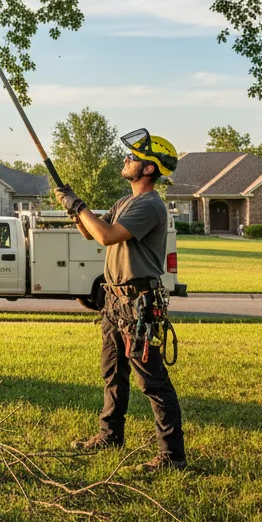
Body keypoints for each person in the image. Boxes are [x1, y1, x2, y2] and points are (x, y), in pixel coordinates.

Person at [54, 129, 186, 473]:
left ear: (148, 169)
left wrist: (78, 205)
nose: (126, 159)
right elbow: (92, 233)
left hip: (138, 303)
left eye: (133, 157)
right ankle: (110, 435)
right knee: (112, 372)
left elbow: (108, 235)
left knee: (152, 381)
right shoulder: (126, 201)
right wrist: (72, 205)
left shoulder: (150, 204)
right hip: (114, 301)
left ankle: (173, 457)